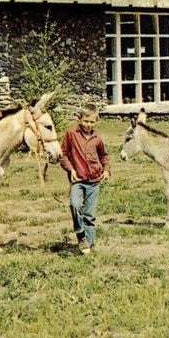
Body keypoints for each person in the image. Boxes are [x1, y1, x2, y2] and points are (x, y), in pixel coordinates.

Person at [59, 103, 111, 255]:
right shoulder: (71, 134)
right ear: (79, 118)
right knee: (74, 204)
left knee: (89, 214)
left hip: (94, 181)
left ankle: (89, 244)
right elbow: (63, 154)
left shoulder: (97, 138)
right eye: (86, 121)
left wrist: (106, 170)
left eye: (92, 122)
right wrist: (71, 169)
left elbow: (103, 155)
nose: (88, 125)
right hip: (78, 180)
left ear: (97, 121)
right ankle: (80, 233)